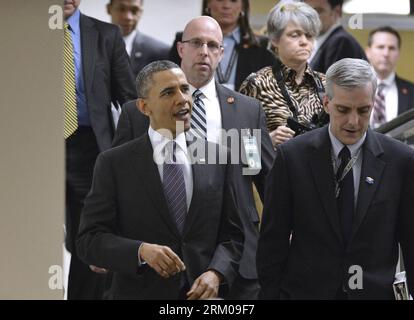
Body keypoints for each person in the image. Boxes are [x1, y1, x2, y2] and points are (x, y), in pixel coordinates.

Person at [113, 16, 275, 299]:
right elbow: (116, 181)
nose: (204, 51)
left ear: (221, 54)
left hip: (235, 255)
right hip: (163, 252)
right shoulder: (138, 112)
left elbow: (264, 177)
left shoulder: (247, 112)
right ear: (180, 49)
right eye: (196, 43)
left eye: (213, 45)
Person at [76, 60, 244, 300]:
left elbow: (234, 235)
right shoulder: (113, 163)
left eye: (185, 89)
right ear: (144, 107)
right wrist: (140, 251)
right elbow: (88, 240)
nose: (182, 99)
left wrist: (216, 273)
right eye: (168, 92)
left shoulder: (219, 157)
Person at [257, 58, 414, 299]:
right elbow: (272, 242)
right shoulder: (293, 157)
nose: (353, 121)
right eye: (343, 109)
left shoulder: (400, 161)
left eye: (363, 110)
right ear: (326, 103)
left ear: (373, 104)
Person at [63, 0, 136, 299]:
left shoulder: (106, 35)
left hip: (89, 145)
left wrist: (137, 155)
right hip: (34, 146)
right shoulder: (19, 31)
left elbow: (129, 99)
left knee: (87, 234)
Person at [240, 2, 327, 147]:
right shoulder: (257, 84)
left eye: (309, 36)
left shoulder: (327, 84)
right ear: (274, 39)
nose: (304, 42)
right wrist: (267, 142)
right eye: (295, 35)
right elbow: (238, 146)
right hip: (275, 168)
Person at [168, 0, 276, 91]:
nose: (226, 6)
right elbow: (169, 82)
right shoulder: (184, 39)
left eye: (233, 0)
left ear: (243, 6)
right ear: (208, 3)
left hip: (244, 113)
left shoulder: (263, 46)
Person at [365, 26, 414, 128]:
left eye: (391, 48)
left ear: (398, 53)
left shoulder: (412, 91)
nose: (386, 53)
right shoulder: (352, 89)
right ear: (368, 52)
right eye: (380, 47)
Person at [106, 0, 170, 77]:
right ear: (109, 9)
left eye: (134, 10)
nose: (128, 17)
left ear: (141, 12)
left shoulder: (161, 53)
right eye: (121, 9)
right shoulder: (90, 46)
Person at [304, 0, 367, 73]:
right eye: (307, 12)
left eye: (318, 11)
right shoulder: (327, 41)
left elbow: (332, 83)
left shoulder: (340, 42)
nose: (311, 18)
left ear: (337, 12)